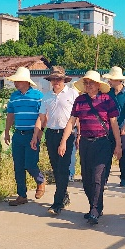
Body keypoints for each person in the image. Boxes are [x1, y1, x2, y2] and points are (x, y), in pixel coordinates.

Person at [59, 70, 122, 225]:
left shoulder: (107, 99)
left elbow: (114, 124)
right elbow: (71, 122)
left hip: (102, 143)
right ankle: (96, 207)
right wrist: (63, 141)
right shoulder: (79, 100)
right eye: (86, 83)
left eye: (91, 83)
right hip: (85, 143)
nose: (88, 85)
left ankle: (94, 210)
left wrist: (118, 145)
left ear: (98, 85)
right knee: (86, 179)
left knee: (97, 177)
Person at [31, 66, 79, 215]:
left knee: (63, 168)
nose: (56, 82)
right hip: (51, 134)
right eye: (53, 79)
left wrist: (79, 135)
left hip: (67, 134)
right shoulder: (47, 97)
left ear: (64, 80)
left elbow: (77, 117)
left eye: (59, 79)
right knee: (56, 169)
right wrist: (35, 136)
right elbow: (41, 118)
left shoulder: (72, 94)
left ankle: (57, 203)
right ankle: (64, 195)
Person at [4, 67, 46, 206]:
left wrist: (38, 134)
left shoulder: (38, 96)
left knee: (30, 164)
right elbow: (10, 115)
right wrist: (7, 131)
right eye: (15, 81)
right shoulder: (14, 97)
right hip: (18, 134)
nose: (16, 83)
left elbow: (43, 116)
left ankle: (40, 180)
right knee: (18, 166)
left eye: (18, 81)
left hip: (32, 134)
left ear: (27, 82)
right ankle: (22, 195)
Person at [103, 66, 125, 187]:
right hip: (110, 128)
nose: (109, 81)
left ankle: (124, 177)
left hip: (123, 128)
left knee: (124, 153)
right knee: (107, 154)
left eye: (111, 79)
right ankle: (104, 178)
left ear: (118, 80)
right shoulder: (108, 93)